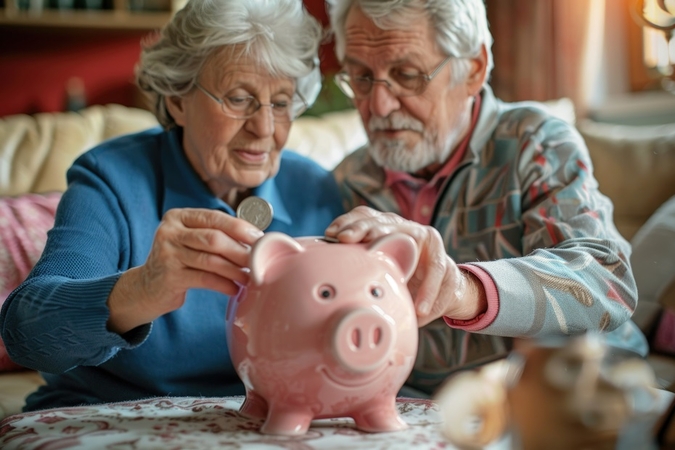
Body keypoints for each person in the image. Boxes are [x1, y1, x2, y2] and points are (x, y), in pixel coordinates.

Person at [0, 0, 344, 411]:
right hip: (113, 416)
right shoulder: (111, 178)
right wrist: (143, 289)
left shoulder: (316, 189)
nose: (264, 128)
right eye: (238, 99)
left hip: (263, 423)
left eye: (282, 103)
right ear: (178, 99)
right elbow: (26, 335)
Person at [323, 0, 648, 395]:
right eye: (360, 77)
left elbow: (605, 280)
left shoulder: (534, 141)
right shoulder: (346, 180)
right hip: (427, 411)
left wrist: (462, 290)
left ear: (474, 68)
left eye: (407, 75)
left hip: (575, 398)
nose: (378, 105)